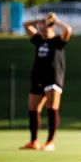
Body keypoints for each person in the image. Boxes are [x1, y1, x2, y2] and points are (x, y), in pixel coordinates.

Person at [20, 13, 72, 151]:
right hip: (38, 78)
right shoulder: (38, 40)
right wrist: (41, 20)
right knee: (33, 109)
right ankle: (34, 141)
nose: (42, 32)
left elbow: (68, 30)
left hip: (53, 78)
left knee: (51, 108)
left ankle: (50, 142)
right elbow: (25, 25)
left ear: (52, 29)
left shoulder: (57, 41)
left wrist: (55, 21)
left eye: (45, 29)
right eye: (41, 29)